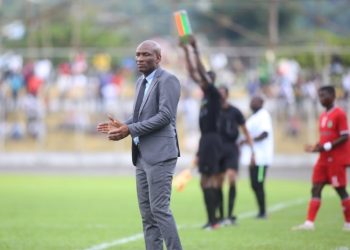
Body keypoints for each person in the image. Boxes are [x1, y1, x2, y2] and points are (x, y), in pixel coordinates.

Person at [97, 40, 183, 250]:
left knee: (160, 210)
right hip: (142, 155)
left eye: (146, 55)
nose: (140, 59)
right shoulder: (140, 82)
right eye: (137, 55)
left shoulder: (168, 80)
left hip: (161, 155)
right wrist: (123, 125)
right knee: (147, 215)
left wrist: (130, 130)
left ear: (158, 58)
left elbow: (164, 116)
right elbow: (139, 116)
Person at [292, 85, 350, 231]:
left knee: (340, 190)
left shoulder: (339, 114)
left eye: (323, 96)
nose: (321, 99)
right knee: (316, 187)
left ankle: (348, 223)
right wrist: (316, 147)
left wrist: (327, 146)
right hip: (323, 159)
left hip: (336, 159)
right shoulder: (323, 115)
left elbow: (345, 136)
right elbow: (326, 139)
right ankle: (309, 223)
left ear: (332, 96)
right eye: (319, 96)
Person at [179, 35, 222, 230]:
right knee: (203, 182)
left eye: (205, 79)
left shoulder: (213, 94)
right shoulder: (205, 96)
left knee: (211, 179)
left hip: (213, 140)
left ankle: (215, 220)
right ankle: (211, 220)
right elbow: (192, 73)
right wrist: (186, 51)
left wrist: (195, 49)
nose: (201, 81)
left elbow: (200, 72)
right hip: (205, 140)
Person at [217, 85, 254, 225]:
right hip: (218, 148)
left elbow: (245, 131)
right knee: (219, 181)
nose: (221, 96)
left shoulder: (235, 111)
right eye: (218, 93)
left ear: (227, 95)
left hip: (232, 148)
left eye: (223, 93)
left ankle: (230, 214)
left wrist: (252, 151)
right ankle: (221, 216)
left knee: (231, 178)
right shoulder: (213, 111)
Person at [240, 96, 274, 219]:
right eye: (251, 101)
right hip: (253, 157)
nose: (252, 103)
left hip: (261, 158)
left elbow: (265, 134)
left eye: (255, 101)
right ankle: (261, 211)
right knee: (254, 184)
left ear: (261, 103)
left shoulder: (263, 115)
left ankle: (263, 212)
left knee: (258, 183)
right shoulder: (254, 117)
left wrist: (249, 140)